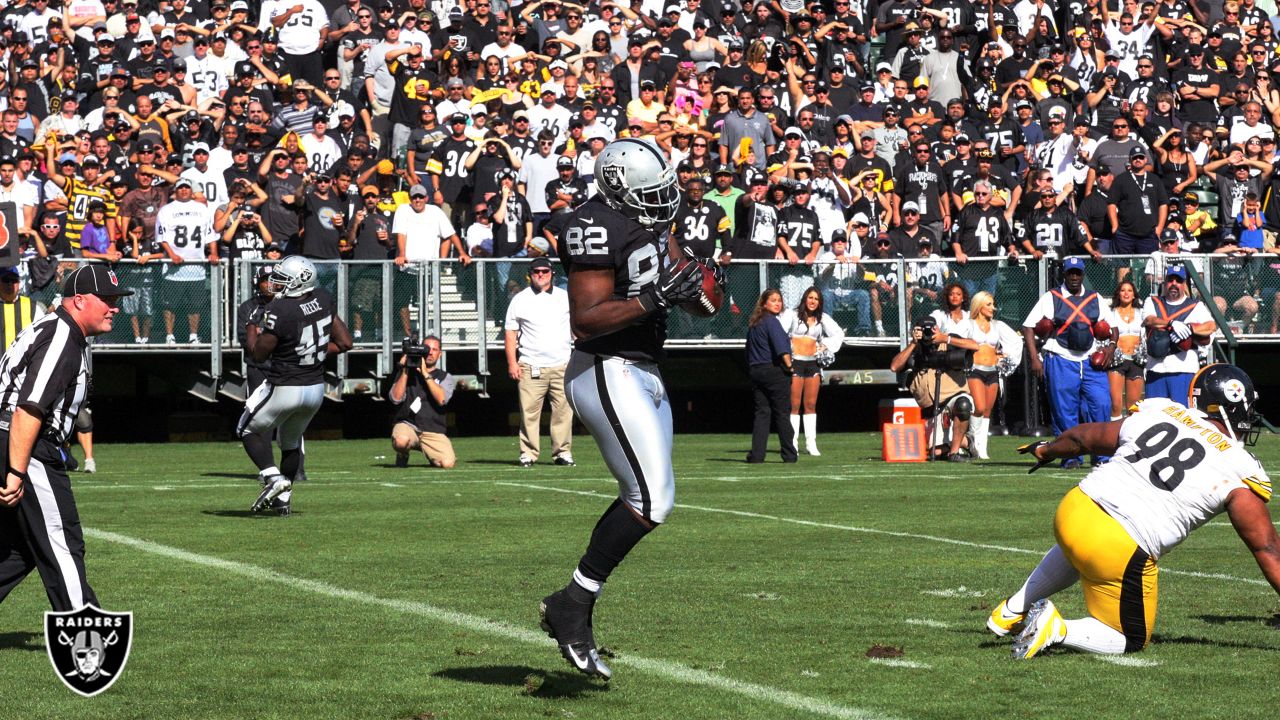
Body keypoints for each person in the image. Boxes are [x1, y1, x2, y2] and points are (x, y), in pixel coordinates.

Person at [539, 137, 705, 682]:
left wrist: (700, 286)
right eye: (649, 191)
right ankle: (573, 602)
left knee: (648, 498)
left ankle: (573, 603)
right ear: (615, 186)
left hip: (645, 370)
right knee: (652, 499)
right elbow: (585, 319)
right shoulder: (592, 223)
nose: (661, 200)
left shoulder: (652, 222)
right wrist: (657, 297)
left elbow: (705, 300)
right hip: (606, 366)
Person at [993, 365, 1278, 660]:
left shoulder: (1162, 411)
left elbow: (1085, 439)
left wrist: (1047, 450)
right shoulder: (1240, 468)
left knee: (1080, 546)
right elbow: (1268, 550)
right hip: (1120, 544)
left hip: (1076, 507)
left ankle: (1013, 610)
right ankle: (1056, 629)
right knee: (1130, 639)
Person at [0, 265, 131, 611]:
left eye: (115, 299)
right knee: (62, 541)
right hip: (23, 445)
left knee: (19, 548)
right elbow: (28, 409)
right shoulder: (61, 336)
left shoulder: (66, 333)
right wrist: (17, 470)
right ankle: (84, 632)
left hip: (15, 441)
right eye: (106, 299)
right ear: (78, 301)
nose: (114, 307)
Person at [239, 256, 354, 516]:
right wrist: (311, 353)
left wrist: (251, 327)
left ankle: (273, 478)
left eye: (282, 278)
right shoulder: (323, 298)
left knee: (247, 429)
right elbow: (345, 342)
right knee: (290, 442)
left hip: (285, 385)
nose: (276, 283)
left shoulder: (281, 311)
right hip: (315, 388)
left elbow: (257, 354)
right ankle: (284, 500)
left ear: (299, 280)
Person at [1022, 257, 1111, 469]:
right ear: (1064, 274)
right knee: (1064, 410)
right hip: (1060, 356)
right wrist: (1035, 359)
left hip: (1090, 359)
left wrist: (1111, 346)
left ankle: (1102, 455)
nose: (1074, 277)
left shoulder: (1095, 298)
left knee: (1101, 404)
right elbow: (1028, 326)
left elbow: (1111, 326)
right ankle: (1070, 456)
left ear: (1082, 275)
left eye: (1077, 273)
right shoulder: (1051, 297)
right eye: (1070, 273)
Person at [504, 257, 574, 468]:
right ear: (530, 273)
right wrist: (512, 363)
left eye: (544, 271)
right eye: (536, 271)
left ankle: (562, 453)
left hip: (562, 363)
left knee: (564, 412)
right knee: (529, 413)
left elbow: (576, 327)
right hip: (530, 364)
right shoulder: (520, 299)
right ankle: (528, 453)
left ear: (552, 272)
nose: (541, 275)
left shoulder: (565, 297)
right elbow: (510, 333)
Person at [889, 316, 973, 461]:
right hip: (931, 409)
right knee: (934, 453)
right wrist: (913, 344)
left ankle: (954, 453)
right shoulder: (915, 349)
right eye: (923, 330)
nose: (928, 332)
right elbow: (894, 367)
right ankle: (966, 442)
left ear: (938, 328)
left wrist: (945, 338)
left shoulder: (948, 340)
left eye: (932, 328)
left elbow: (975, 346)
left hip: (953, 397)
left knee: (963, 405)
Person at [950, 291, 1021, 460]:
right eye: (988, 304)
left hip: (992, 371)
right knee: (978, 407)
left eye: (992, 304)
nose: (992, 308)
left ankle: (981, 448)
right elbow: (954, 338)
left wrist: (1004, 356)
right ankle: (972, 441)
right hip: (975, 370)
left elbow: (1016, 341)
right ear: (979, 305)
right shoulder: (968, 324)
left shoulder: (998, 325)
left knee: (987, 411)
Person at [778, 286, 845, 456]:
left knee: (810, 405)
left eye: (816, 299)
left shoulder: (822, 318)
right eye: (810, 298)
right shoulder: (792, 315)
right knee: (794, 405)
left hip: (813, 364)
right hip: (795, 363)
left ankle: (811, 443)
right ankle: (792, 443)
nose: (813, 301)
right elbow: (779, 332)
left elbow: (838, 334)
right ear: (804, 299)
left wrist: (826, 345)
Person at [1141, 265, 1216, 402]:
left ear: (1184, 284)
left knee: (1182, 415)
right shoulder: (1152, 301)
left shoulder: (1195, 306)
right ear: (1165, 282)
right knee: (1154, 416)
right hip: (1156, 368)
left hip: (1184, 369)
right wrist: (1171, 324)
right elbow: (1149, 320)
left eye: (1178, 281)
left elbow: (1211, 326)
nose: (1174, 284)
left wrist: (1190, 329)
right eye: (1170, 280)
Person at [389, 335, 458, 469]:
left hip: (433, 429)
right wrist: (405, 369)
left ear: (440, 354)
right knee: (401, 441)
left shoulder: (445, 377)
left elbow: (441, 399)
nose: (430, 352)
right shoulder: (406, 372)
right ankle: (403, 453)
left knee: (447, 463)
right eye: (427, 348)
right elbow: (395, 399)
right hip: (408, 424)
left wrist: (425, 374)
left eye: (434, 349)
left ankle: (431, 453)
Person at [745, 288, 796, 464]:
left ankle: (757, 455)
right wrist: (790, 367)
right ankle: (789, 454)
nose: (777, 303)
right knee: (782, 413)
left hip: (756, 370)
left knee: (762, 413)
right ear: (764, 303)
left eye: (779, 300)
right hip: (773, 371)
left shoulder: (754, 323)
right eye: (773, 300)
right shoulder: (772, 321)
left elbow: (748, 350)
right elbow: (781, 347)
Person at [1107, 280, 1146, 421]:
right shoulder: (1111, 312)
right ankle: (1114, 437)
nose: (1126, 293)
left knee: (1134, 406)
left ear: (1134, 294)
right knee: (1116, 404)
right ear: (1118, 293)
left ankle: (1131, 436)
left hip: (1136, 360)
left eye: (1129, 290)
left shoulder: (1141, 312)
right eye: (1123, 290)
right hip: (1117, 360)